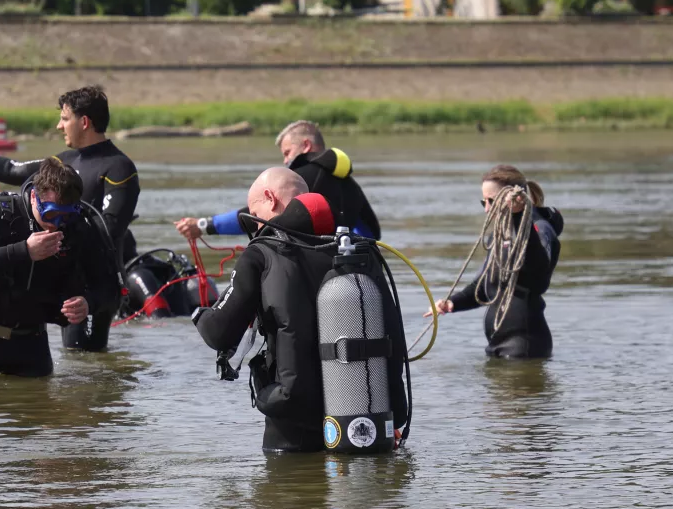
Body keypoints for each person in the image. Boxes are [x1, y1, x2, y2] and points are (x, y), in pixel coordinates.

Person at [192, 167, 408, 452]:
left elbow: (219, 333)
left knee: (293, 478)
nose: (256, 227)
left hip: (293, 427)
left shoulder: (262, 252)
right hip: (367, 418)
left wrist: (198, 314)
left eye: (255, 214)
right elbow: (394, 334)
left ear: (270, 198)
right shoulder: (360, 251)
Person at [0, 85, 138, 350]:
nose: (59, 126)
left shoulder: (119, 167)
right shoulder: (63, 163)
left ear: (84, 122)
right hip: (61, 271)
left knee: (87, 358)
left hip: (95, 280)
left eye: (64, 118)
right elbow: (11, 169)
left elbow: (111, 228)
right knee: (64, 352)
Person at [0, 158, 117, 377]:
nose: (57, 224)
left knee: (39, 399)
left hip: (32, 342)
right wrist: (24, 251)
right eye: (51, 214)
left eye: (66, 216)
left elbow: (111, 288)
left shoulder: (80, 228)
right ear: (35, 197)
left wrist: (88, 303)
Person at [424, 164, 564, 359]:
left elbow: (537, 274)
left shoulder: (541, 229)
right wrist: (452, 303)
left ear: (515, 198)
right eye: (484, 202)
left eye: (492, 201)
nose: (487, 209)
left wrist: (518, 216)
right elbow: (484, 288)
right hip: (496, 345)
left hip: (524, 346)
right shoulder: (499, 235)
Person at [175, 120, 381, 241]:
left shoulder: (299, 179)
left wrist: (204, 225)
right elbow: (372, 232)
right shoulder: (349, 183)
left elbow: (259, 215)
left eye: (287, 152)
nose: (285, 161)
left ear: (306, 145)